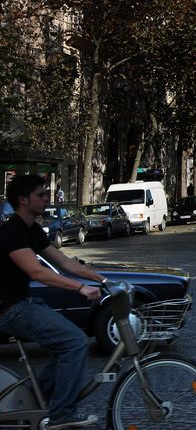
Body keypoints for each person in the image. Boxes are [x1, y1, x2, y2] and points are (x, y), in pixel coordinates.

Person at [0, 174, 105, 429]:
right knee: (75, 342)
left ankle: (35, 402)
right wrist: (80, 288)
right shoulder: (12, 231)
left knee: (65, 345)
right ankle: (61, 414)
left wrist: (103, 280)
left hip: (23, 303)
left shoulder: (32, 229)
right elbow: (37, 272)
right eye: (41, 195)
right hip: (10, 309)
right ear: (23, 200)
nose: (47, 199)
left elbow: (65, 263)